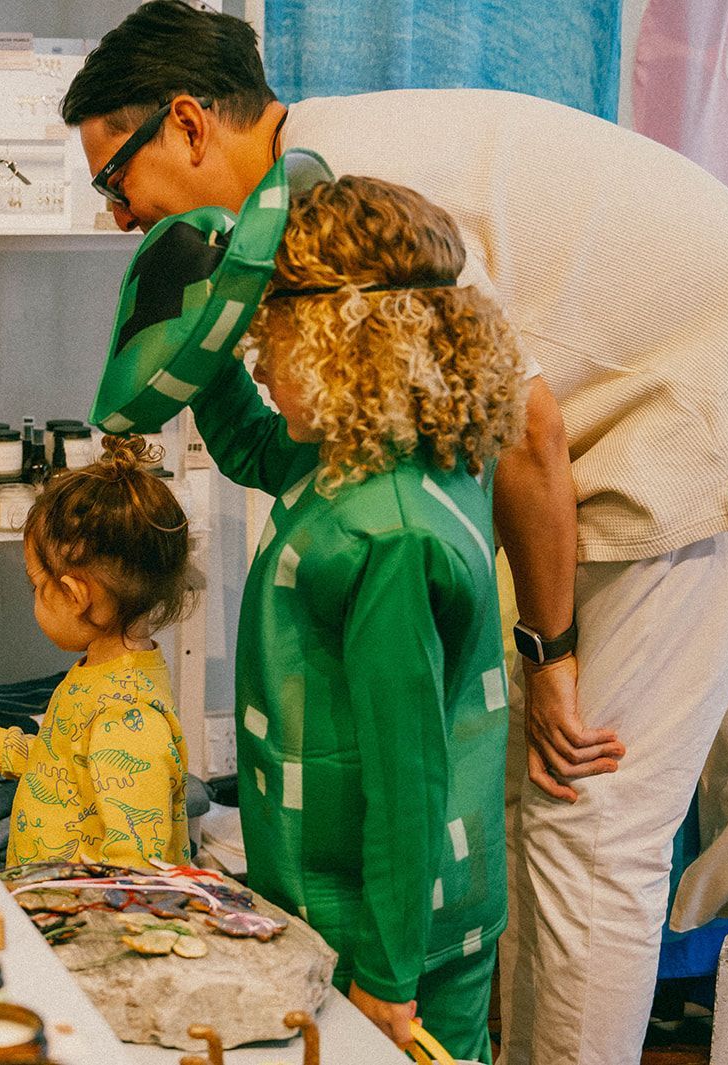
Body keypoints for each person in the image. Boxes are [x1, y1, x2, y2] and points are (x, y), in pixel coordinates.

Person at [62, 5, 728, 1062]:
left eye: (114, 178)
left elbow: (529, 431)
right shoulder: (302, 202)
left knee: (589, 816)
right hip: (629, 413)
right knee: (528, 802)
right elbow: (322, 443)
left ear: (186, 123)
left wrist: (553, 655)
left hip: (721, 398)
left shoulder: (358, 190)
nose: (120, 216)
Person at [191, 174, 524, 1058]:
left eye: (275, 334)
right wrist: (197, 348)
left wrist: (387, 973)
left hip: (383, 927)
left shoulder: (390, 530)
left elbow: (408, 776)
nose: (259, 362)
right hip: (362, 900)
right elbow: (252, 444)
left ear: (346, 341)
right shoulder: (388, 451)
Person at [0, 435, 193, 868]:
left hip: (84, 906)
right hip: (51, 894)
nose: (34, 596)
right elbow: (62, 767)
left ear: (75, 596)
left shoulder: (127, 719)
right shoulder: (100, 674)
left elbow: (137, 870)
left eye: (37, 585)